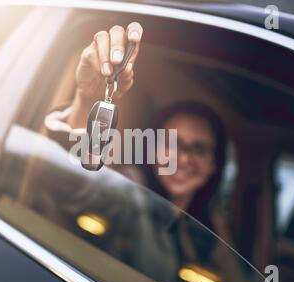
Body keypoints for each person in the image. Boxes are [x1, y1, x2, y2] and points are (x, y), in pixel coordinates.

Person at [45, 22, 232, 237]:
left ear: (213, 163)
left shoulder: (211, 235)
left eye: (198, 148)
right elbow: (77, 189)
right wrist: (87, 100)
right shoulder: (127, 193)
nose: (182, 159)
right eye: (171, 143)